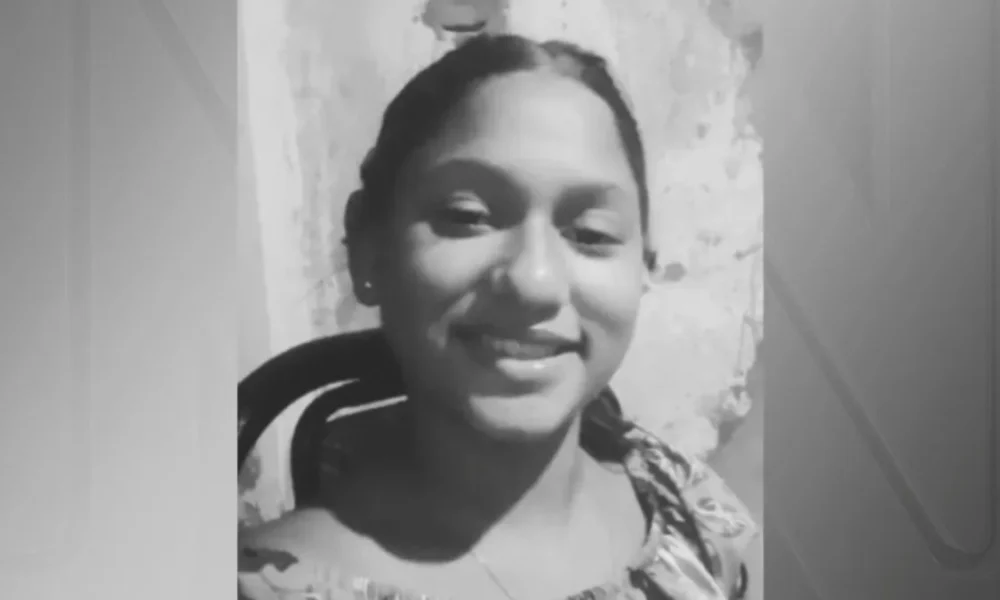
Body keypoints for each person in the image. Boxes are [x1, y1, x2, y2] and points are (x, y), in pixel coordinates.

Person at [238, 33, 758, 600]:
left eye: (591, 233)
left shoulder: (689, 511)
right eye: (468, 217)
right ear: (368, 247)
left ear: (644, 265)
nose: (534, 281)